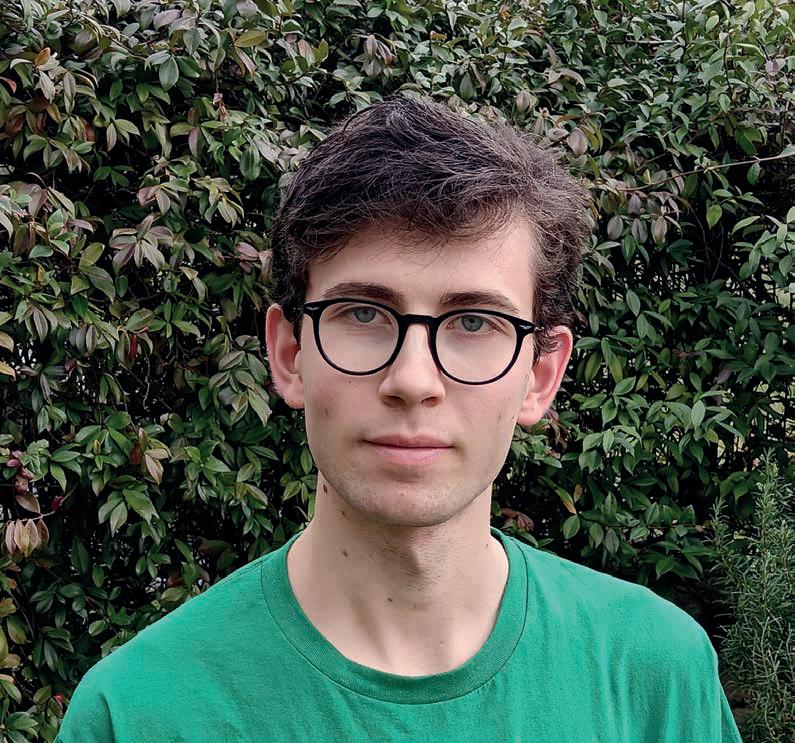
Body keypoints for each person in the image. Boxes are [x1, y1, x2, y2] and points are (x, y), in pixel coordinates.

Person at [56, 95, 742, 742]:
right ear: (289, 354)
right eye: (362, 313)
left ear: (540, 375)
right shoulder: (137, 713)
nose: (413, 380)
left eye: (473, 322)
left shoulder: (653, 675)